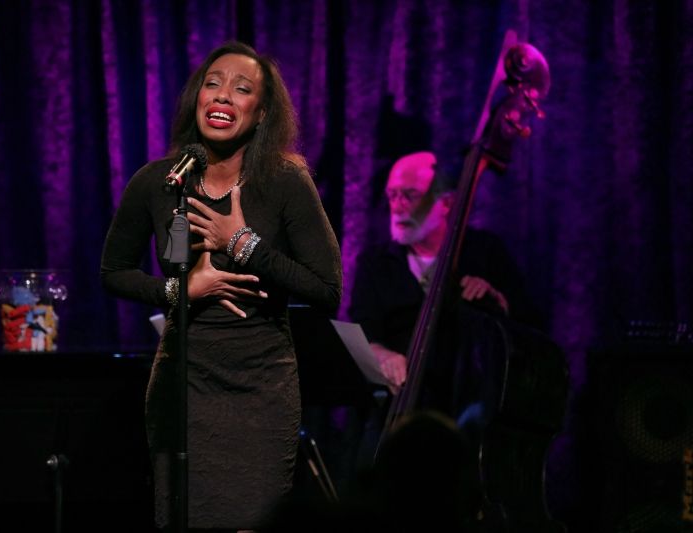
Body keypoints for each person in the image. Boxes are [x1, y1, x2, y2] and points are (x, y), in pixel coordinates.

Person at [100, 41, 342, 532]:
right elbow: (113, 272)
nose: (223, 97)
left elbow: (326, 288)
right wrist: (182, 291)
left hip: (260, 386)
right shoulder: (158, 182)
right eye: (213, 84)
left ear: (261, 113)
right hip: (182, 383)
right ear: (196, 99)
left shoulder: (285, 182)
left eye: (241, 88)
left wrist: (243, 243)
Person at [347, 151, 535, 455]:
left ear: (447, 202)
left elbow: (529, 324)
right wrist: (381, 354)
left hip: (470, 411)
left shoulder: (485, 252)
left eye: (410, 196)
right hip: (397, 408)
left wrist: (497, 299)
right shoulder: (377, 263)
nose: (398, 206)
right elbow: (364, 330)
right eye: (392, 195)